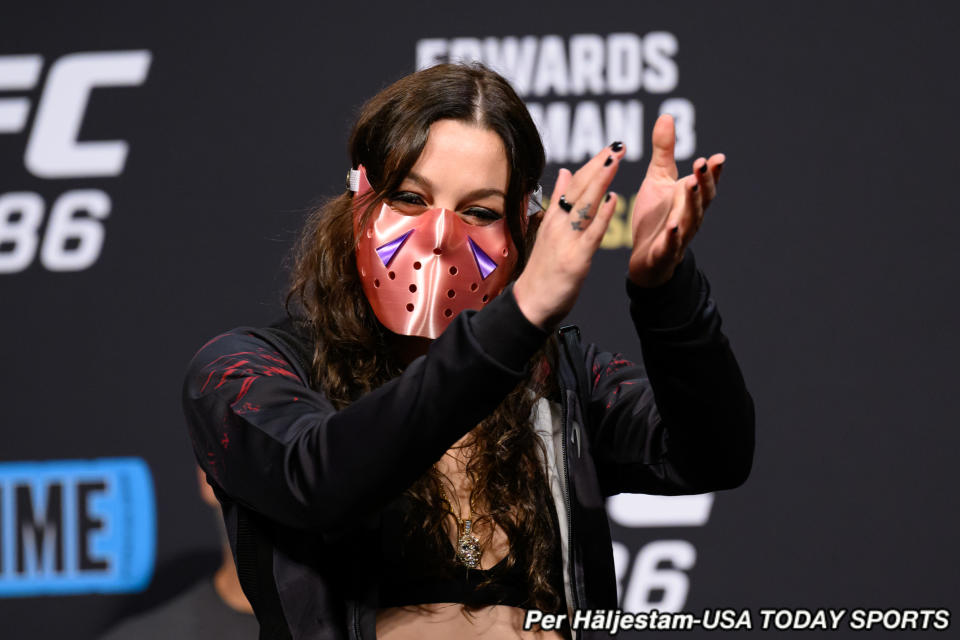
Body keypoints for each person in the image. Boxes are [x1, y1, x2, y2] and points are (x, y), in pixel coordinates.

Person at [182, 63, 754, 640]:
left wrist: (666, 290)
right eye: (409, 198)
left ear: (518, 235)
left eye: (479, 212)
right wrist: (522, 313)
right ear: (358, 203)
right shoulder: (244, 371)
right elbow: (321, 480)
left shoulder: (557, 378)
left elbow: (713, 453)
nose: (439, 236)